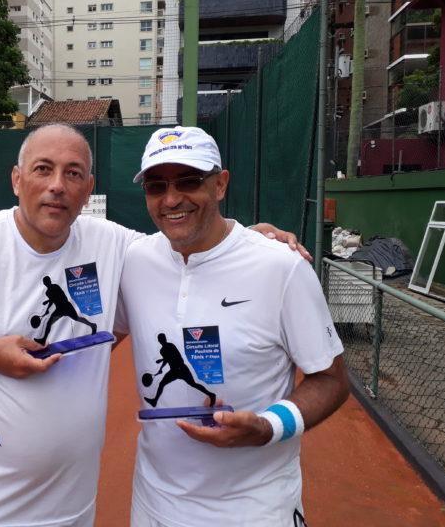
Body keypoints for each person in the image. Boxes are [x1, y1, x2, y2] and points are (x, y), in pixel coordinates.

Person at [0, 123, 309, 527]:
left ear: (88, 189)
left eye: (73, 173)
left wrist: (246, 239)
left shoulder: (114, 245)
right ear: (17, 179)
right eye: (42, 169)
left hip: (70, 509)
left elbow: (190, 241)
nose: (57, 186)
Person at [114, 126, 350, 527]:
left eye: (189, 181)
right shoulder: (134, 260)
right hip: (153, 505)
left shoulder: (281, 266)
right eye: (156, 186)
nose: (171, 199)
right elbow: (93, 341)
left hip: (255, 510)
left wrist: (267, 427)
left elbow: (331, 380)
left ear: (220, 184)